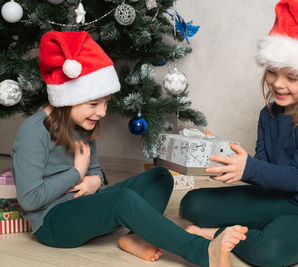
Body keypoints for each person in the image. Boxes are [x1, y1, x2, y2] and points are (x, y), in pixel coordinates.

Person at [12, 30, 247, 267]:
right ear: (67, 99)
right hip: (53, 223)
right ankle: (201, 252)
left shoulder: (83, 123)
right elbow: (30, 200)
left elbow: (94, 173)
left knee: (160, 177)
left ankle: (136, 237)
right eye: (94, 104)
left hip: (85, 205)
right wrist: (75, 173)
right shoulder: (33, 132)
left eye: (105, 103)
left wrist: (95, 180)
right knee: (123, 199)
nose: (102, 112)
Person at [180, 0, 298, 266]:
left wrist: (247, 169)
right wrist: (227, 160)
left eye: (291, 77)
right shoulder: (268, 114)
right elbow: (265, 171)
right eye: (272, 72)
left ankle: (218, 235)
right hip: (272, 198)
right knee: (192, 203)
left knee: (269, 252)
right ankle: (255, 229)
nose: (278, 84)